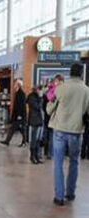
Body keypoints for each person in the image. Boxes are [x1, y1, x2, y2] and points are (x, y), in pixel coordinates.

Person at [47, 64, 89, 206]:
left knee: (58, 163)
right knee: (74, 162)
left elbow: (49, 109)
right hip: (76, 131)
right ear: (81, 74)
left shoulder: (61, 88)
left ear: (70, 73)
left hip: (59, 129)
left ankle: (59, 197)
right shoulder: (86, 90)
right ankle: (70, 193)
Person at [0, 79, 27, 147]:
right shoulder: (17, 93)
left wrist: (20, 115)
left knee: (16, 129)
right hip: (17, 115)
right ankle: (9, 141)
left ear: (18, 85)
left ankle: (9, 141)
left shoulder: (21, 94)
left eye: (15, 84)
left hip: (19, 115)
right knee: (19, 129)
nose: (14, 85)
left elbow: (22, 105)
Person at [43, 75, 64, 159]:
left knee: (49, 137)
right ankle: (51, 153)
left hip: (50, 118)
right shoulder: (55, 92)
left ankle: (49, 153)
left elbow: (48, 108)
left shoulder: (51, 92)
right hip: (55, 118)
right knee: (52, 137)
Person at [27, 86, 44, 164]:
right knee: (34, 139)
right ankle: (32, 156)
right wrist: (40, 98)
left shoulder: (37, 97)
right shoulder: (32, 97)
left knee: (38, 139)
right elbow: (38, 107)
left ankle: (37, 156)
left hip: (39, 120)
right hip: (34, 120)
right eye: (39, 90)